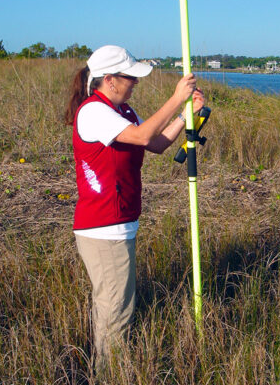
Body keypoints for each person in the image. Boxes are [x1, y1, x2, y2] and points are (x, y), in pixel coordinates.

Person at [64, 45, 204, 371]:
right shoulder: (93, 112)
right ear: (110, 79)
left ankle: (104, 369)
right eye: (131, 77)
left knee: (112, 306)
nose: (136, 83)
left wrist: (186, 115)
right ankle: (108, 374)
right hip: (102, 227)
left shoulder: (122, 111)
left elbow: (155, 143)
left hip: (120, 221)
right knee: (117, 311)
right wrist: (175, 97)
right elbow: (142, 137)